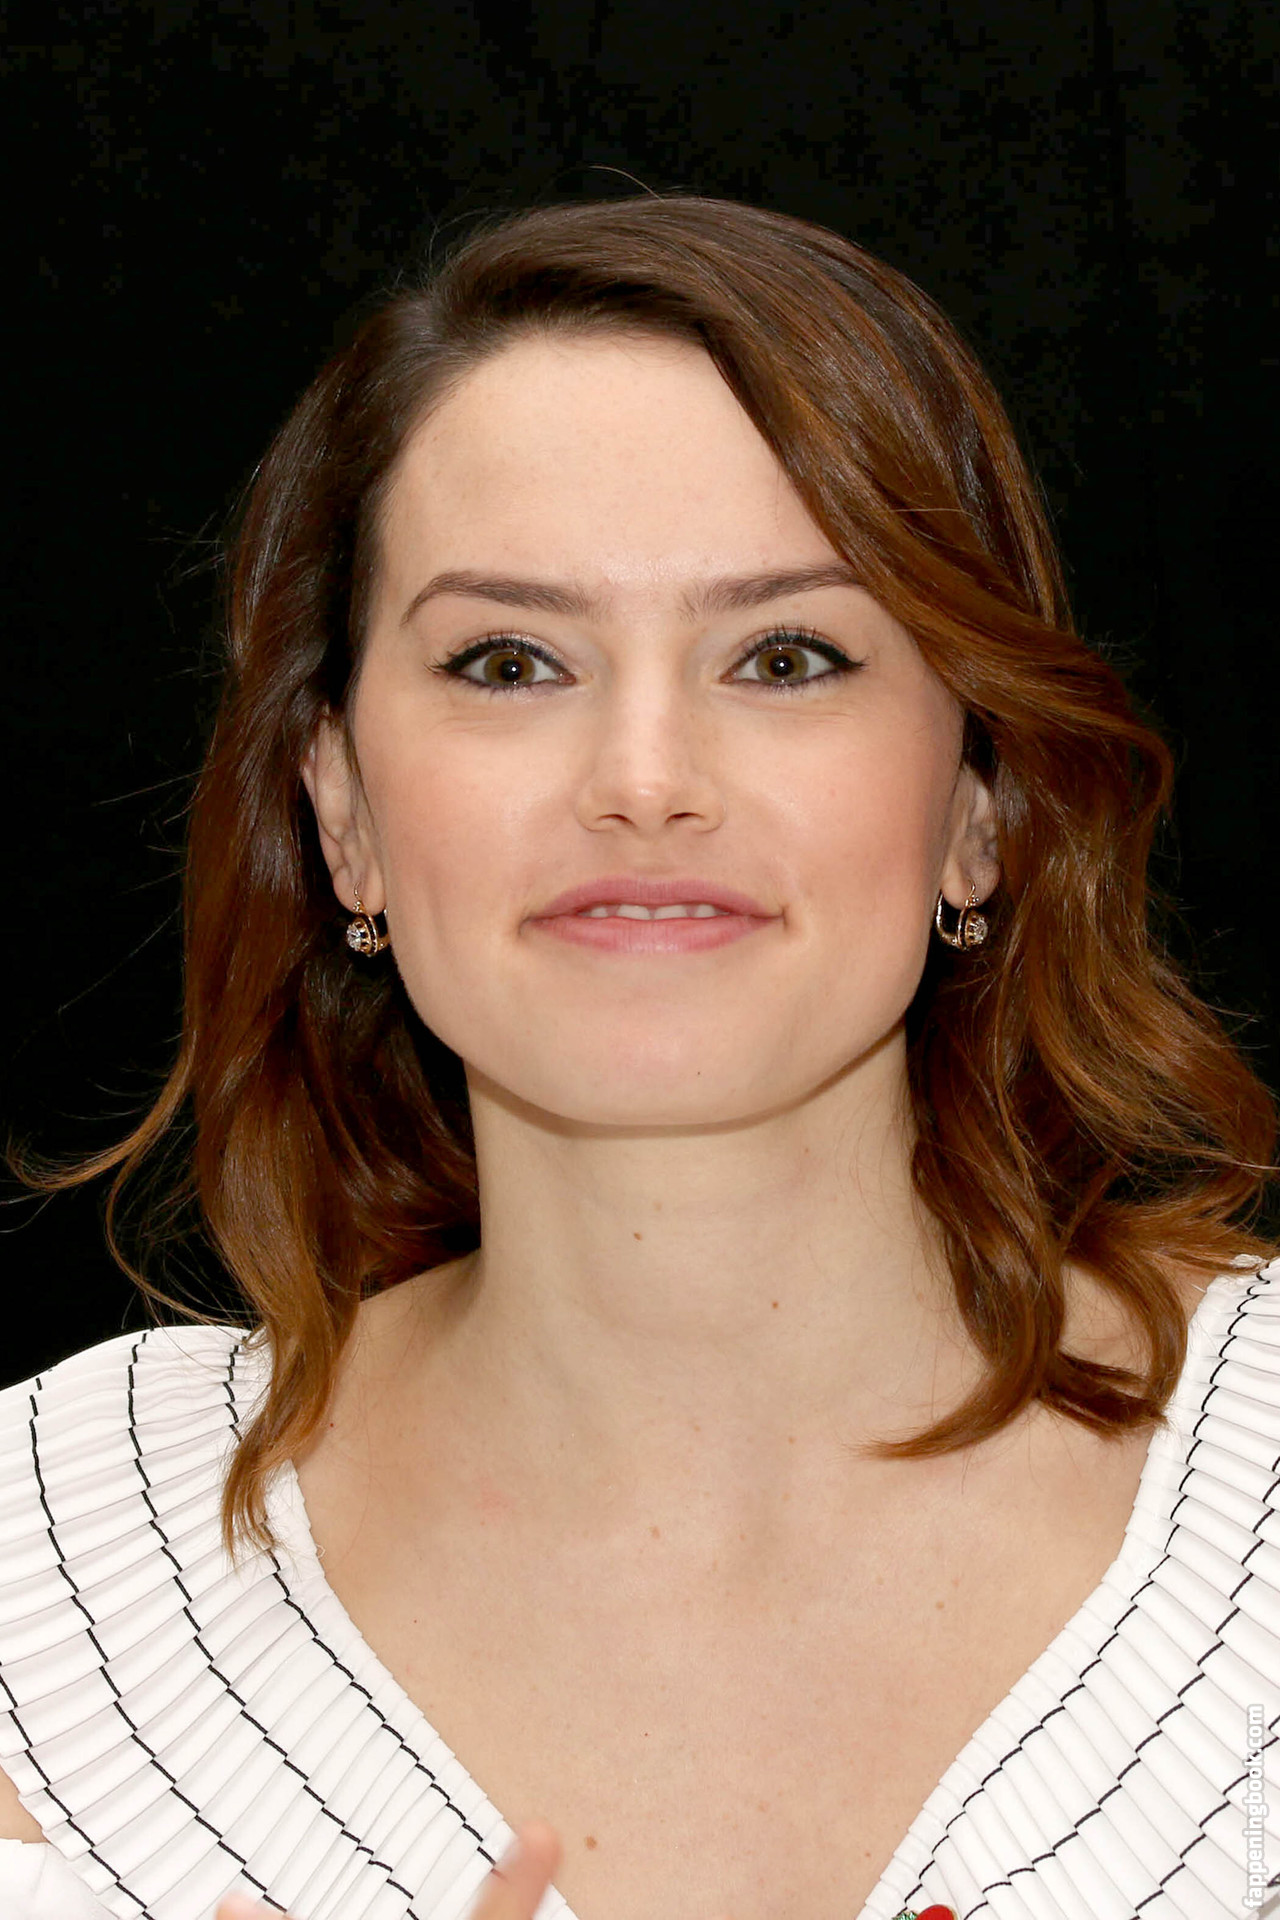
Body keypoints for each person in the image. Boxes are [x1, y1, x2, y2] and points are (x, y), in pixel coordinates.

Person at [0, 193, 1276, 1920]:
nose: (646, 777)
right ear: (342, 813)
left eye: (786, 657)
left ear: (983, 809)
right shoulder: (45, 1575)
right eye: (511, 661)